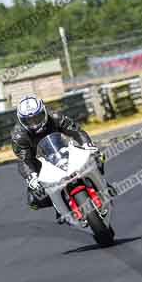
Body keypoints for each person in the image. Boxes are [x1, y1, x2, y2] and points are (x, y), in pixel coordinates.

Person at [11, 95, 110, 223]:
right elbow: (24, 159)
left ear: (44, 112)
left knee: (97, 158)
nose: (34, 123)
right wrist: (32, 178)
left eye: (37, 117)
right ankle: (59, 206)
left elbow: (76, 131)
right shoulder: (18, 135)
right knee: (35, 199)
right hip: (38, 160)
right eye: (29, 121)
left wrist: (88, 146)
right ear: (21, 121)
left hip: (62, 148)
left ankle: (102, 185)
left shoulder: (55, 117)